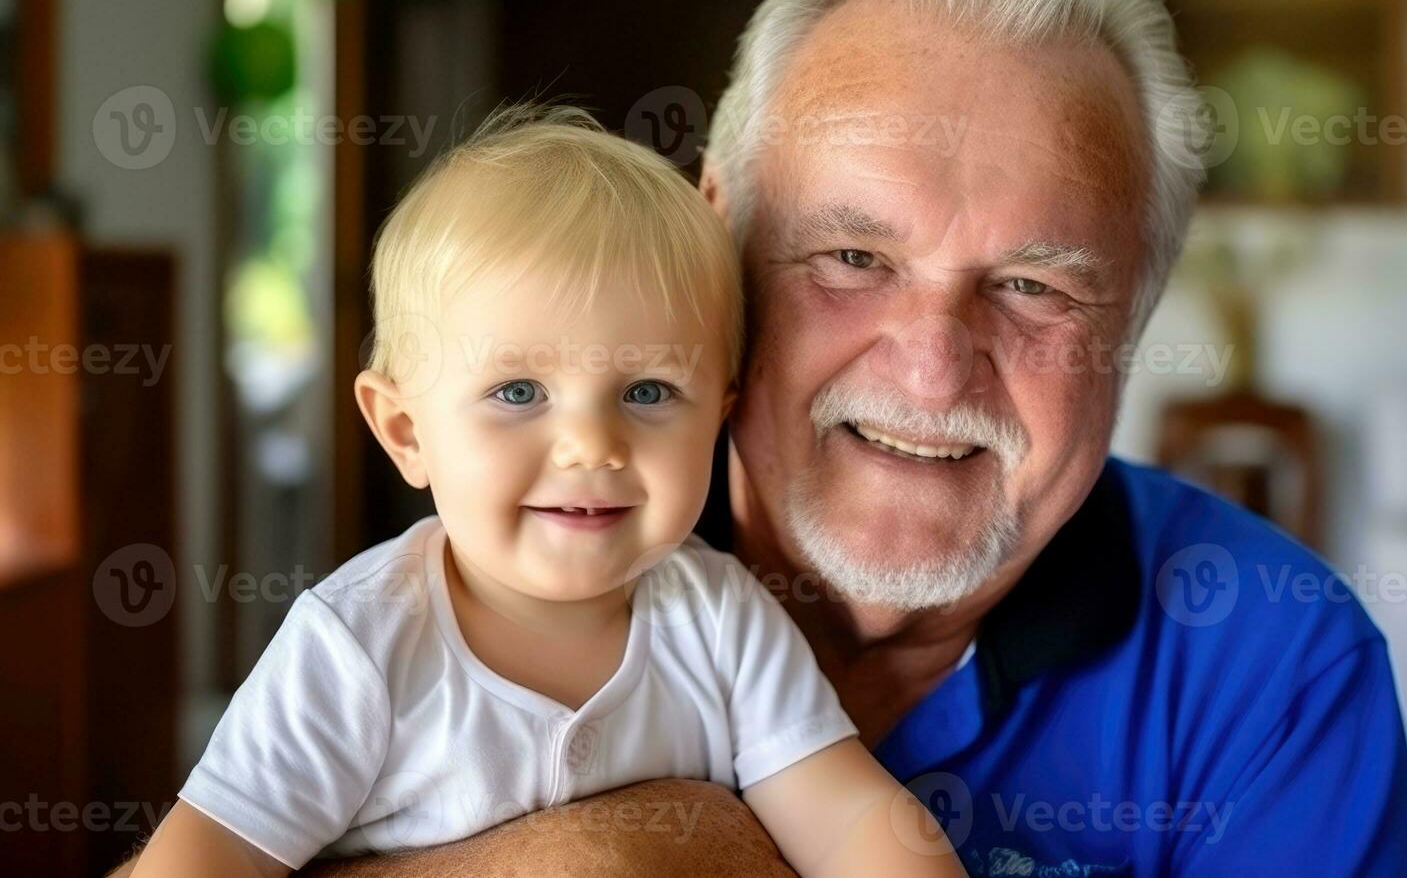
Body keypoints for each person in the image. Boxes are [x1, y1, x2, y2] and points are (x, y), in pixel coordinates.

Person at [128, 105, 964, 877]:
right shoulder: (358, 648)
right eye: (518, 393)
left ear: (717, 419)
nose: (592, 446)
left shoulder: (723, 622)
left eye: (648, 393)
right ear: (407, 432)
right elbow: (207, 856)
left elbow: (852, 821)